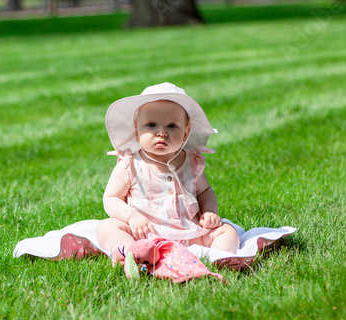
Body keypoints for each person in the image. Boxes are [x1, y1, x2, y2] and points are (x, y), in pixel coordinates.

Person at [96, 83, 240, 264]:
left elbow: (205, 191)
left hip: (189, 233)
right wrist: (132, 216)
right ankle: (132, 257)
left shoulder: (191, 162)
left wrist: (209, 212)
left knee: (227, 231)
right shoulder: (131, 164)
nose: (162, 133)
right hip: (144, 235)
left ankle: (219, 260)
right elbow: (111, 198)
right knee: (107, 227)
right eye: (151, 125)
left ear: (186, 132)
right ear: (136, 130)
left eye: (172, 126)